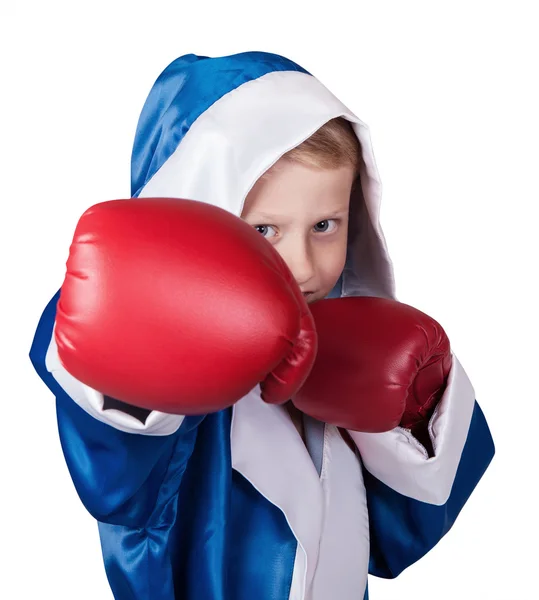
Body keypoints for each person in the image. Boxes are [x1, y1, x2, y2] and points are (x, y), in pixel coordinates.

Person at [29, 51, 495, 600]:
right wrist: (142, 327)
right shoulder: (173, 400)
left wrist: (416, 407)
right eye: (266, 230)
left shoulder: (345, 348)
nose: (302, 266)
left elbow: (395, 541)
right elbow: (117, 489)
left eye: (325, 225)